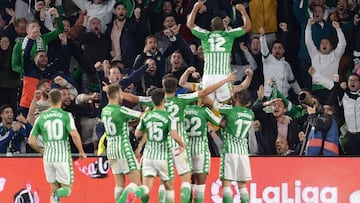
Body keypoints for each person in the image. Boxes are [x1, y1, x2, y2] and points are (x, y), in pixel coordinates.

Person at [28, 89, 86, 203]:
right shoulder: (66, 115)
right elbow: (74, 134)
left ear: (49, 100)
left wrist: (40, 150)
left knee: (54, 187)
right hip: (62, 156)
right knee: (67, 189)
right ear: (60, 99)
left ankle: (54, 196)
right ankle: (56, 195)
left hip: (48, 156)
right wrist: (81, 151)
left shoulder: (41, 117)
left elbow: (31, 140)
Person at [128, 88, 186, 203]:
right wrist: (182, 144)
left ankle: (136, 193)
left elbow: (137, 134)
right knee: (169, 187)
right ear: (164, 100)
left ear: (152, 101)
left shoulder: (146, 116)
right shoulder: (169, 117)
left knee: (146, 187)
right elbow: (174, 135)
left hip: (148, 156)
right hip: (163, 156)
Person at [187, 2, 251, 103]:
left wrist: (195, 7)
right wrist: (243, 11)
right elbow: (247, 27)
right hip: (224, 77)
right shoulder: (229, 35)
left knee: (207, 107)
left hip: (208, 76)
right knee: (224, 106)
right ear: (223, 27)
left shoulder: (205, 35)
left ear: (211, 27)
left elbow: (190, 24)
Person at [101, 83, 142, 203]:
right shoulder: (121, 110)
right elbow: (142, 116)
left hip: (111, 150)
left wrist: (133, 123)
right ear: (118, 94)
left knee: (119, 183)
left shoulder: (104, 110)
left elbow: (121, 124)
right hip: (123, 149)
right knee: (137, 182)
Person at [213, 89, 254, 203]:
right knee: (242, 186)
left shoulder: (230, 111)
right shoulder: (250, 114)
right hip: (243, 153)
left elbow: (209, 103)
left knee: (226, 183)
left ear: (236, 98)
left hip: (230, 151)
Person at [184, 100, 221, 203]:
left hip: (186, 151)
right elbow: (220, 122)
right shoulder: (203, 111)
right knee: (201, 186)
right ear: (197, 102)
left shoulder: (182, 111)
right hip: (201, 150)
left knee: (190, 183)